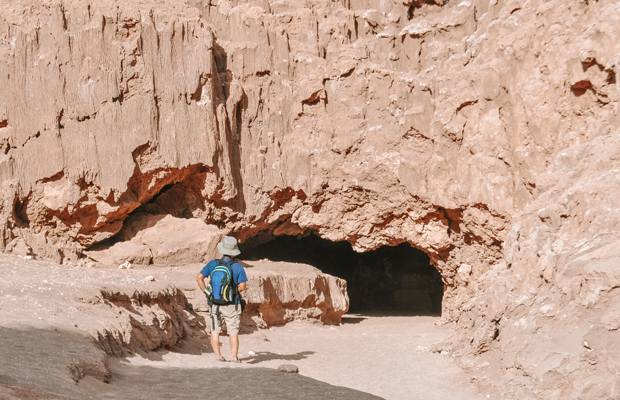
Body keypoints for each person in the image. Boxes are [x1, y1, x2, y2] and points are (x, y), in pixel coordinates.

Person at [196, 236, 248, 363]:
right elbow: (242, 286)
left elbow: (199, 278)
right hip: (231, 304)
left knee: (215, 331)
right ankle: (234, 358)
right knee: (233, 332)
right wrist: (232, 292)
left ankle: (219, 357)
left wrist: (208, 293)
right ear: (234, 252)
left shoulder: (213, 264)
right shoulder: (237, 267)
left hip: (215, 303)